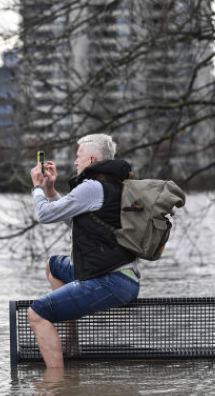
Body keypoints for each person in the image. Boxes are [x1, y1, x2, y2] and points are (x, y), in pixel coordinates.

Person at [28, 134, 140, 368]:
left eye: (78, 157)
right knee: (54, 266)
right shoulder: (115, 186)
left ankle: (56, 386)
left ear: (90, 158)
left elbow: (44, 214)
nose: (75, 163)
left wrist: (37, 187)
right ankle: (71, 344)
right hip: (125, 279)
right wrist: (50, 191)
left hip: (110, 281)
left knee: (37, 313)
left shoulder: (91, 187)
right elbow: (78, 224)